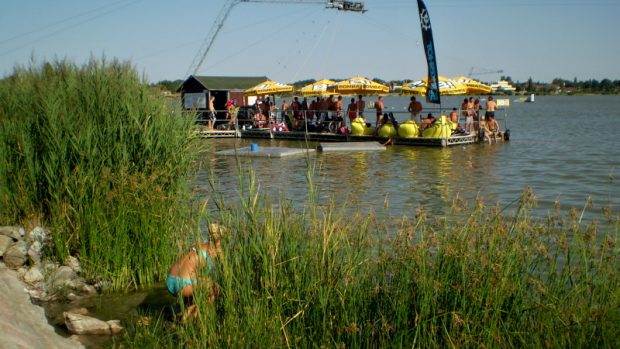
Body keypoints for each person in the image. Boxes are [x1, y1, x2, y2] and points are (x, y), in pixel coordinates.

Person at [167, 224, 224, 320]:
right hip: (183, 284)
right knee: (216, 288)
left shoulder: (197, 243)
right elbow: (225, 273)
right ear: (220, 238)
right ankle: (194, 316)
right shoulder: (215, 249)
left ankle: (186, 315)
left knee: (201, 284)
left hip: (170, 280)